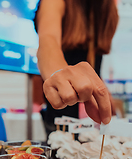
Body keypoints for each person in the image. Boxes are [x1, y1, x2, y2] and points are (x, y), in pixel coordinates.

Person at [35, 0, 119, 135]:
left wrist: (103, 91)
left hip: (92, 116)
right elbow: (48, 40)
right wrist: (59, 74)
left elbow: (92, 65)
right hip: (62, 109)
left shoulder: (108, 7)